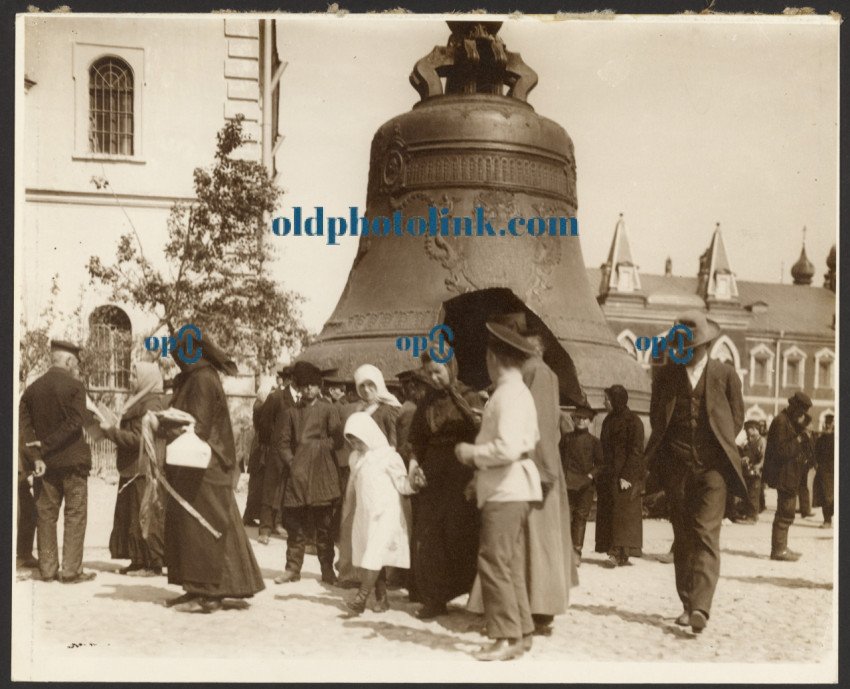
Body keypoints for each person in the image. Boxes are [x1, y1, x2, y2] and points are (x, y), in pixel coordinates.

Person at [644, 312, 746, 635]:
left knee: (705, 532)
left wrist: (714, 445)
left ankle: (701, 606)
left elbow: (737, 419)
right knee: (683, 535)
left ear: (706, 345)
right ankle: (687, 604)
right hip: (677, 469)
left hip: (712, 470)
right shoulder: (666, 376)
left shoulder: (726, 375)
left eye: (691, 346)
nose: (684, 351)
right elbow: (657, 416)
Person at [481, 311, 576, 636]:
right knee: (522, 543)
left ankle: (538, 610)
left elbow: (543, 428)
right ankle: (522, 611)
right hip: (525, 466)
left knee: (535, 540)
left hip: (534, 468)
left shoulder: (538, 373)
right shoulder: (523, 373)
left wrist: (543, 473)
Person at [158, 329, 265, 612]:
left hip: (207, 465)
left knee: (203, 528)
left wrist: (164, 423)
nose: (175, 359)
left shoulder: (202, 380)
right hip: (197, 464)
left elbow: (199, 425)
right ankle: (195, 586)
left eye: (178, 352)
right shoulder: (194, 378)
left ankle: (208, 593)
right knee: (197, 527)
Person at [455, 321, 542, 662]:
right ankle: (521, 632)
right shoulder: (519, 393)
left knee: (492, 561)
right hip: (512, 486)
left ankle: (505, 637)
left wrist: (472, 454)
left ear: (493, 357)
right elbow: (527, 441)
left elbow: (506, 448)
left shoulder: (507, 395)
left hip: (505, 490)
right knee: (509, 563)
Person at [407, 353, 482, 618]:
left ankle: (476, 601)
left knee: (461, 533)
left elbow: (482, 434)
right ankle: (434, 599)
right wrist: (414, 467)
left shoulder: (471, 397)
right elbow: (416, 442)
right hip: (433, 476)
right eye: (429, 373)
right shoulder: (426, 401)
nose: (434, 378)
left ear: (451, 367)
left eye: (438, 371)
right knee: (429, 537)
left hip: (462, 474)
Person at [19, 340, 96, 584]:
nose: (76, 367)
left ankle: (48, 569)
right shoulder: (75, 387)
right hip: (74, 466)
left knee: (46, 516)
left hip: (45, 468)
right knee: (75, 514)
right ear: (69, 361)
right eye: (75, 363)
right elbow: (75, 423)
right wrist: (47, 445)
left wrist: (37, 455)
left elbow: (26, 429)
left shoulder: (31, 390)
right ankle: (71, 571)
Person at [341, 412, 423, 614]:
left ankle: (361, 598)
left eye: (358, 440)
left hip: (387, 514)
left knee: (374, 553)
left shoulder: (389, 456)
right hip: (365, 515)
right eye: (351, 441)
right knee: (371, 556)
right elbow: (354, 486)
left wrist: (414, 484)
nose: (356, 445)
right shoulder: (355, 459)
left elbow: (403, 485)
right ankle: (382, 598)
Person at [274, 361, 343, 585]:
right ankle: (292, 569)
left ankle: (327, 571)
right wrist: (294, 463)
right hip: (298, 475)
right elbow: (282, 443)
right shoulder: (290, 412)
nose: (307, 390)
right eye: (303, 386)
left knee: (324, 527)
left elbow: (338, 439)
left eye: (312, 386)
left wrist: (319, 448)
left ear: (319, 386)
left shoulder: (329, 410)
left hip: (323, 473)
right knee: (295, 525)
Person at [336, 364, 402, 588]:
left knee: (379, 527)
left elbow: (394, 443)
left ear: (379, 385)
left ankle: (381, 578)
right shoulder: (359, 411)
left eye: (370, 385)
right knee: (353, 522)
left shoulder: (390, 409)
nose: (365, 390)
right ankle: (352, 573)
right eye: (361, 386)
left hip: (381, 473)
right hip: (360, 471)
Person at [102, 361, 165, 576]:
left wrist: (111, 432)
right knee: (131, 516)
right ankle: (138, 560)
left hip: (143, 469)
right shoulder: (139, 401)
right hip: (132, 468)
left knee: (144, 516)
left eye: (135, 376)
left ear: (147, 379)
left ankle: (151, 563)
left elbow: (140, 440)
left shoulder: (151, 405)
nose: (130, 380)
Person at [596, 385, 645, 568]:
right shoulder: (608, 420)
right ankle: (618, 552)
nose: (604, 402)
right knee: (611, 512)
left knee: (622, 514)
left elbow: (636, 451)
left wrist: (627, 475)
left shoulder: (633, 422)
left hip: (624, 475)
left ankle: (616, 554)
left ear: (616, 400)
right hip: (609, 474)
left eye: (607, 399)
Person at [763, 392, 815, 561]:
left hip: (790, 475)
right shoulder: (781, 422)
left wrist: (803, 427)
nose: (802, 416)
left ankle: (782, 546)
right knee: (785, 512)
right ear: (795, 408)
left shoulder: (788, 421)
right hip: (783, 476)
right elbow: (781, 451)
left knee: (787, 511)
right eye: (801, 412)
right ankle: (778, 550)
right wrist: (799, 440)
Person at [258, 365, 298, 544]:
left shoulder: (305, 399)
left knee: (288, 487)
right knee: (271, 487)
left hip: (295, 451)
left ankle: (279, 523)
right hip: (276, 450)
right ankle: (265, 528)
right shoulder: (276, 397)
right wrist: (272, 442)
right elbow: (264, 423)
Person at [562, 405, 602, 566]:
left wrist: (590, 475)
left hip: (585, 486)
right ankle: (565, 551)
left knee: (580, 518)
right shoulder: (566, 438)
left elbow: (600, 464)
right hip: (567, 483)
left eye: (584, 418)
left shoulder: (594, 442)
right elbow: (558, 457)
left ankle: (576, 552)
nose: (580, 421)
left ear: (590, 422)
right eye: (577, 418)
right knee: (566, 517)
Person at [243, 378, 274, 527]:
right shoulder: (261, 407)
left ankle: (251, 514)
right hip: (260, 447)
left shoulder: (258, 405)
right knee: (257, 484)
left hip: (259, 446)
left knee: (257, 484)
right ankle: (250, 515)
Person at [737, 420, 766, 524]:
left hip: (756, 473)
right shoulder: (749, 440)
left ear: (754, 429)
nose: (746, 432)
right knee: (748, 494)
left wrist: (757, 467)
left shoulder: (761, 441)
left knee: (754, 494)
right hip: (748, 472)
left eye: (747, 429)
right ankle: (748, 514)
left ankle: (752, 517)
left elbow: (764, 458)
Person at [17, 442, 39, 569]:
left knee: (30, 510)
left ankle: (24, 554)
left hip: (21, 471)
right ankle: (23, 555)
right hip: (18, 470)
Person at [813, 414, 834, 528]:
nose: (827, 425)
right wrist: (816, 464)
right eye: (826, 423)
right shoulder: (820, 439)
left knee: (833, 497)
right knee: (824, 496)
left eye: (830, 423)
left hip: (834, 470)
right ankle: (827, 520)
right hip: (823, 471)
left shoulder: (837, 438)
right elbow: (815, 453)